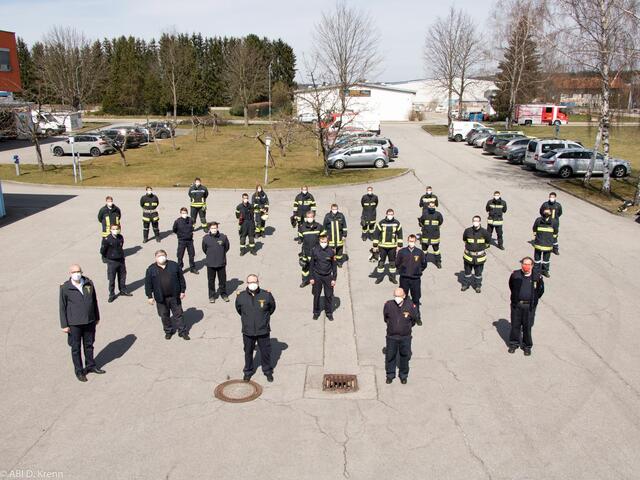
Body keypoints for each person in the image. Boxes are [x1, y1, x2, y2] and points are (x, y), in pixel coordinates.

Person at [59, 264, 104, 382]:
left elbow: (94, 301)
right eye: (74, 272)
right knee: (76, 348)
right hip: (75, 323)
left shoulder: (88, 283)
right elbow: (62, 307)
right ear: (70, 274)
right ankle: (79, 371)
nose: (77, 273)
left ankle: (91, 365)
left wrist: (97, 316)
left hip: (89, 320)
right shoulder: (65, 287)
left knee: (89, 345)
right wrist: (64, 325)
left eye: (78, 271)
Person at [235, 274, 276, 382]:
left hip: (263, 330)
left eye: (254, 282)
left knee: (265, 352)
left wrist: (263, 319)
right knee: (248, 352)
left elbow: (272, 308)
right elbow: (239, 310)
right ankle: (248, 371)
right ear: (247, 283)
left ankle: (267, 371)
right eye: (250, 282)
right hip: (248, 331)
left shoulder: (266, 295)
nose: (252, 284)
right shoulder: (240, 296)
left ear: (258, 282)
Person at [145, 250, 189, 340]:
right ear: (155, 258)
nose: (161, 257)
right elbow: (148, 284)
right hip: (160, 298)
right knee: (164, 316)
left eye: (163, 255)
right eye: (159, 256)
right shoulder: (151, 269)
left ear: (166, 256)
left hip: (174, 296)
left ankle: (182, 332)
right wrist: (149, 296)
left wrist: (182, 291)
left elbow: (181, 279)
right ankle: (168, 331)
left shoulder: (174, 265)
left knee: (178, 314)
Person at [508, 257, 545, 356]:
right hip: (517, 305)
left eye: (528, 264)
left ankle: (527, 346)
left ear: (532, 265)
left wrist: (533, 299)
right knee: (515, 325)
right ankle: (513, 344)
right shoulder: (515, 275)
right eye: (524, 264)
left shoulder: (537, 277)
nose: (526, 266)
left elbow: (540, 290)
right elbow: (511, 286)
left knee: (527, 327)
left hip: (529, 307)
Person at [383, 288, 419, 384]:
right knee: (390, 356)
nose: (397, 298)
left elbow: (414, 319)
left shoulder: (410, 306)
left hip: (405, 337)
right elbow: (385, 317)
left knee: (404, 356)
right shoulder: (388, 305)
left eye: (399, 296)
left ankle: (403, 375)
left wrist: (406, 327)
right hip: (391, 336)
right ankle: (390, 375)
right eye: (395, 296)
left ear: (404, 296)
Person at [395, 234, 426, 323]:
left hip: (415, 279)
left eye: (412, 241)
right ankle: (402, 317)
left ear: (415, 241)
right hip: (404, 279)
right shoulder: (402, 252)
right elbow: (397, 263)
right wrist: (402, 270)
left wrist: (418, 270)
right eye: (410, 241)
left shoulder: (419, 252)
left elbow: (424, 264)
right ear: (407, 241)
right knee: (402, 299)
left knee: (416, 299)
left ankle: (417, 317)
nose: (411, 243)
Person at [100, 223, 132, 302]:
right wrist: (107, 258)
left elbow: (121, 247)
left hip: (121, 260)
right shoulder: (107, 239)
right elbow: (102, 250)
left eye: (117, 229)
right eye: (113, 229)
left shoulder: (120, 237)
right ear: (110, 230)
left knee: (122, 276)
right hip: (112, 261)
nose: (115, 230)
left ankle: (123, 290)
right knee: (112, 278)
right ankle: (112, 294)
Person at [310, 234, 337, 321]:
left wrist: (334, 279)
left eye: (325, 242)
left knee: (328, 296)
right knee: (316, 295)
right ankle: (316, 312)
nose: (323, 243)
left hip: (328, 276)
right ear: (319, 241)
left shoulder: (331, 252)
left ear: (327, 241)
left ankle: (329, 313)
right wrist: (311, 277)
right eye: (322, 242)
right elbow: (311, 265)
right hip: (317, 276)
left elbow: (334, 266)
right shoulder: (314, 250)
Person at [373, 209, 403, 284]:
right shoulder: (381, 223)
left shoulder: (397, 223)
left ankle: (392, 278)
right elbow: (376, 234)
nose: (390, 215)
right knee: (381, 263)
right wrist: (375, 246)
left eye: (392, 214)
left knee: (392, 263)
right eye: (389, 214)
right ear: (386, 214)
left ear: (393, 214)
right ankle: (379, 278)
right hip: (382, 247)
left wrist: (399, 246)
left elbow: (400, 235)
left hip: (392, 247)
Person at [461, 215, 491, 293]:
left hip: (479, 257)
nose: (475, 222)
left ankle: (477, 286)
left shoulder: (484, 232)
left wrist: (479, 249)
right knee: (467, 272)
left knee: (478, 273)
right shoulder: (467, 231)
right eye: (474, 221)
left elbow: (488, 242)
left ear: (480, 222)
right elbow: (464, 240)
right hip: (468, 256)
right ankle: (465, 284)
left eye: (477, 221)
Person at [202, 222, 230, 303]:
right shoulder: (205, 238)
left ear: (217, 228)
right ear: (209, 229)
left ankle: (223, 294)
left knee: (222, 280)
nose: (214, 229)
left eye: (215, 228)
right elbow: (204, 249)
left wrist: (220, 255)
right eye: (212, 228)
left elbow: (226, 248)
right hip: (210, 264)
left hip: (221, 263)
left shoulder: (223, 237)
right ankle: (212, 295)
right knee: (211, 281)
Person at [297, 210, 322, 288]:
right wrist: (300, 240)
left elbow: (324, 238)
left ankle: (316, 281)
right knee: (305, 267)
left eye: (311, 217)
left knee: (317, 267)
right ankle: (305, 280)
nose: (309, 218)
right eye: (308, 217)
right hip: (306, 251)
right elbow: (300, 237)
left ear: (314, 217)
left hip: (316, 251)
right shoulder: (302, 227)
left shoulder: (319, 227)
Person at [532, 207, 558, 278]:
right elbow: (534, 228)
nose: (546, 213)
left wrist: (551, 240)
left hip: (548, 245)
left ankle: (545, 271)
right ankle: (536, 272)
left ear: (550, 213)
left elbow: (555, 232)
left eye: (548, 211)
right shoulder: (538, 220)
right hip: (538, 244)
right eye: (545, 211)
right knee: (537, 260)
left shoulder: (554, 222)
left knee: (546, 260)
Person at [418, 200, 444, 268]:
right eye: (430, 206)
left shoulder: (438, 215)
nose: (431, 207)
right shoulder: (425, 214)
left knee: (436, 250)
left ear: (435, 206)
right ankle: (423, 262)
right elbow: (421, 222)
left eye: (433, 206)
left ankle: (438, 262)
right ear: (428, 206)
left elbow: (440, 222)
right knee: (424, 250)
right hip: (425, 236)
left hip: (434, 236)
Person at [172, 207, 198, 274]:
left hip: (190, 241)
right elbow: (174, 229)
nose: (184, 214)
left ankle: (192, 268)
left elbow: (193, 227)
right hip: (182, 241)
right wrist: (180, 234)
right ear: (180, 213)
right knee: (180, 255)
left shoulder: (190, 220)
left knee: (192, 254)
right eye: (183, 213)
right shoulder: (177, 221)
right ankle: (180, 269)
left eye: (185, 213)